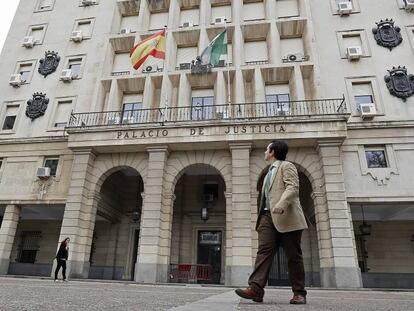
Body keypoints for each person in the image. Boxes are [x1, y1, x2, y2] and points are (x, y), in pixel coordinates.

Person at [235, 140, 308, 304]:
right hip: (267, 217)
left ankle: (299, 293)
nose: (264, 152)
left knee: (293, 256)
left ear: (273, 151)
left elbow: (293, 188)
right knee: (264, 252)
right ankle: (256, 289)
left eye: (267, 149)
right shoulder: (269, 171)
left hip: (287, 216)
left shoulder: (286, 166)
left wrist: (281, 204)